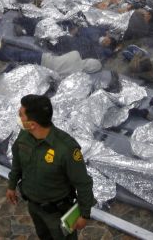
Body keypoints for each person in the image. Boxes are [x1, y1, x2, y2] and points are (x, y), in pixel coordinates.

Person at [7, 94, 96, 239]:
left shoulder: (66, 149)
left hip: (57, 213)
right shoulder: (24, 135)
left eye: (21, 115)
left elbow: (83, 184)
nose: (18, 118)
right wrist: (12, 185)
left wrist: (84, 214)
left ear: (32, 124)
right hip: (33, 205)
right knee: (43, 236)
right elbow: (17, 162)